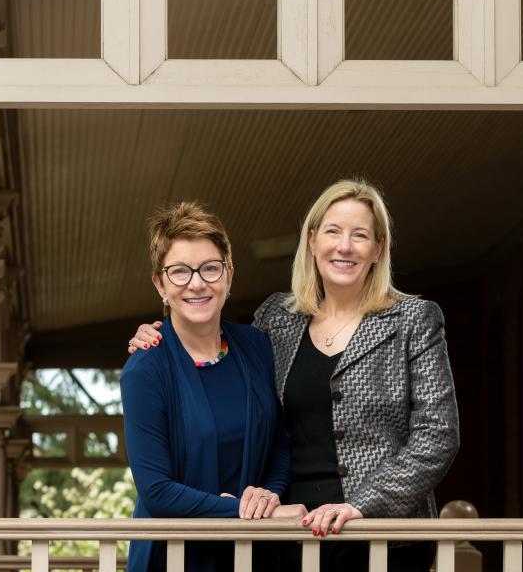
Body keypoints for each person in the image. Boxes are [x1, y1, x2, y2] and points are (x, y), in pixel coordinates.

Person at [129, 180, 459, 571]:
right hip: (292, 533)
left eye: (360, 235)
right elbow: (256, 403)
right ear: (313, 240)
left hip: (383, 536)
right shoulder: (278, 320)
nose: (345, 246)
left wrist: (362, 505)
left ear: (379, 248)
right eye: (333, 231)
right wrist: (153, 335)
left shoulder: (413, 320)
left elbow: (438, 434)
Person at [120, 202, 305, 572]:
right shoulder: (146, 369)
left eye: (210, 268)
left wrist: (268, 495)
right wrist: (243, 511)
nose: (197, 283)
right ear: (159, 283)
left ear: (229, 276)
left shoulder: (256, 347)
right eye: (179, 272)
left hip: (254, 555)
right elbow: (156, 491)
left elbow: (280, 444)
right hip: (175, 559)